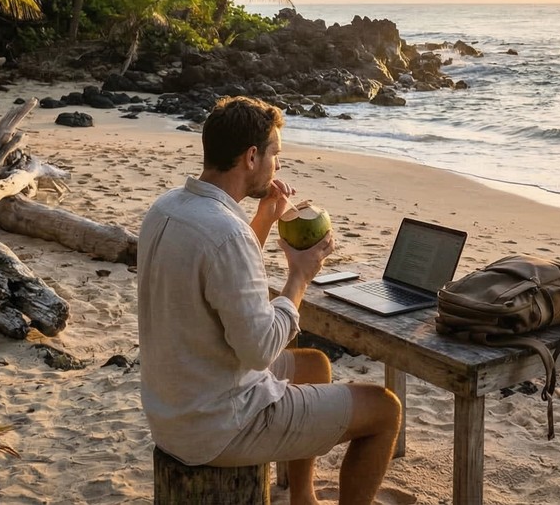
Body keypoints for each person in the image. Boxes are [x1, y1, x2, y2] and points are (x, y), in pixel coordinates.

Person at [138, 96, 402, 505]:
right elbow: (260, 349)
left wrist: (263, 219)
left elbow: (224, 281)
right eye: (275, 154)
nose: (277, 165)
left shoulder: (167, 207)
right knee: (384, 410)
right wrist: (300, 276)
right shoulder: (227, 233)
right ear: (251, 157)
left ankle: (303, 498)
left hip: (174, 404)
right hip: (219, 423)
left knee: (315, 365)